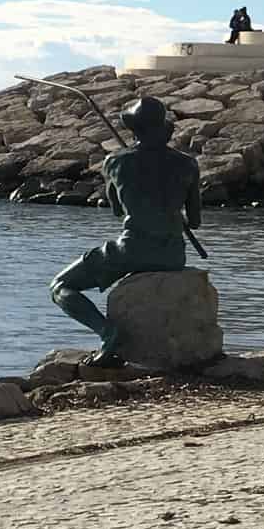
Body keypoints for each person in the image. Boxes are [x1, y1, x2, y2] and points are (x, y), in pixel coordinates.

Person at [49, 96, 203, 365]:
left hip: (132, 250)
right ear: (164, 129)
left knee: (60, 287)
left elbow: (117, 211)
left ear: (133, 130)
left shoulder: (115, 161)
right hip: (173, 255)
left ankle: (108, 333)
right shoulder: (188, 163)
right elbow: (195, 221)